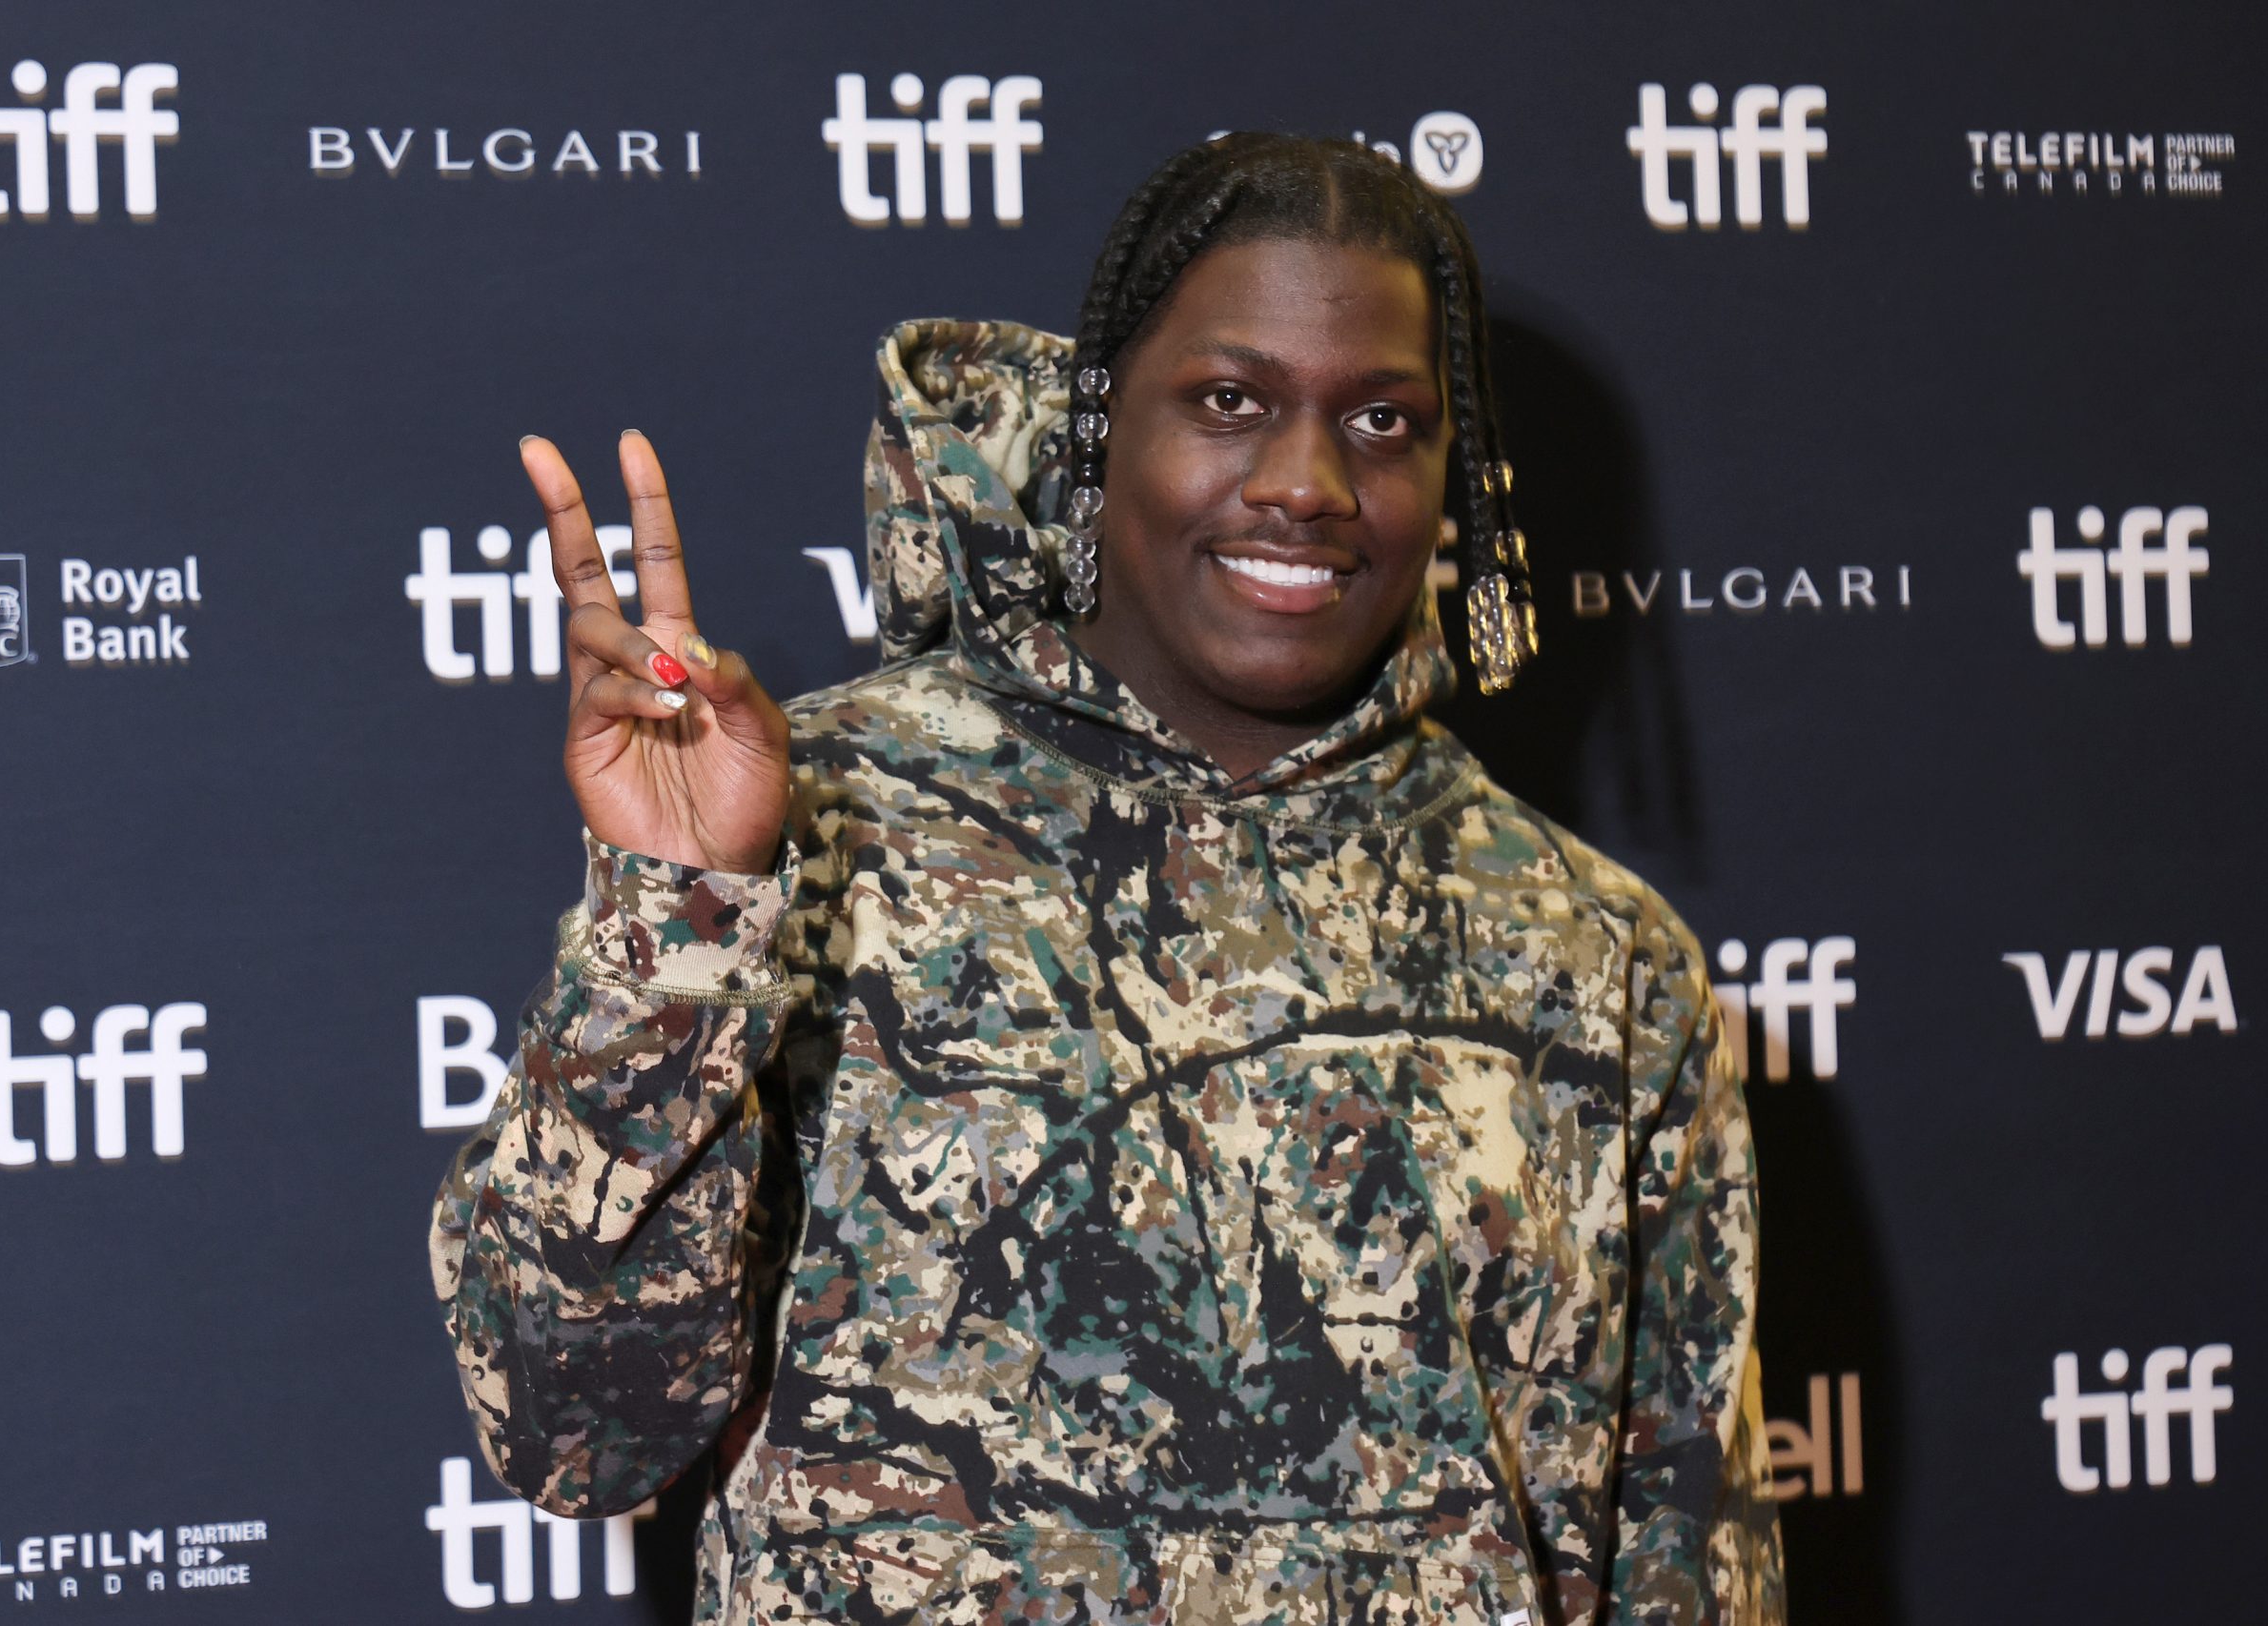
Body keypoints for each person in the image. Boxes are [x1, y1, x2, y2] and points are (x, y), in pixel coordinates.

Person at [431, 132, 1784, 1624]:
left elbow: (1691, 1559)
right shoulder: (817, 824)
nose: (1308, 482)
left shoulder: (1595, 954)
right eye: (1230, 400)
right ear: (1099, 426)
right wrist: (677, 928)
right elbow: (574, 1429)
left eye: (1383, 419)